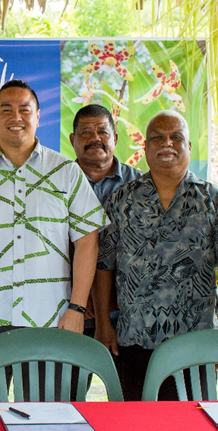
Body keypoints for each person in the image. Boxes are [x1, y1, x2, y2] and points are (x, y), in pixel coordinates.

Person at [0, 79, 107, 401]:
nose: (16, 117)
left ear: (38, 116)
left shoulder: (65, 171)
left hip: (51, 319)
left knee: (49, 420)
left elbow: (87, 240)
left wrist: (77, 308)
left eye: (25, 109)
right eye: (6, 109)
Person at [96, 110, 218, 401]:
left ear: (189, 147)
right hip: (135, 340)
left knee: (193, 422)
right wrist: (103, 323)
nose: (167, 143)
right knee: (138, 423)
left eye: (176, 137)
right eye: (157, 138)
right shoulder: (121, 199)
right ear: (146, 148)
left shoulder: (213, 200)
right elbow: (104, 265)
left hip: (197, 341)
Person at [70, 104, 142, 339]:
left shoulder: (142, 186)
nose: (95, 139)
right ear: (72, 139)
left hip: (129, 311)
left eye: (102, 131)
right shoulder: (58, 184)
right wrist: (79, 299)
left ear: (115, 138)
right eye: (86, 133)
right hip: (72, 310)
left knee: (129, 377)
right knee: (68, 377)